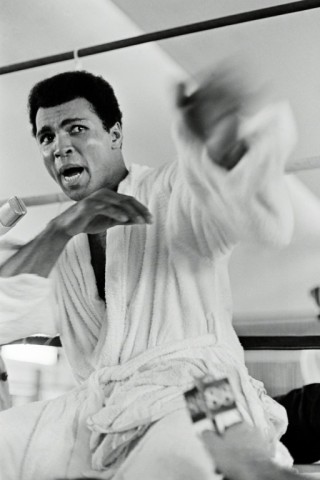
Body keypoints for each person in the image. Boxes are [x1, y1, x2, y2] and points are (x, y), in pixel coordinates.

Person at [0, 68, 297, 479]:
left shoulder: (171, 189)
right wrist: (60, 228)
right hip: (100, 409)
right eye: (46, 136)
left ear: (115, 135)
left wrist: (220, 146)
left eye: (76, 129)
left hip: (201, 388)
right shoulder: (61, 243)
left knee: (179, 459)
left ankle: (243, 460)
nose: (60, 147)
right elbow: (4, 310)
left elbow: (240, 211)